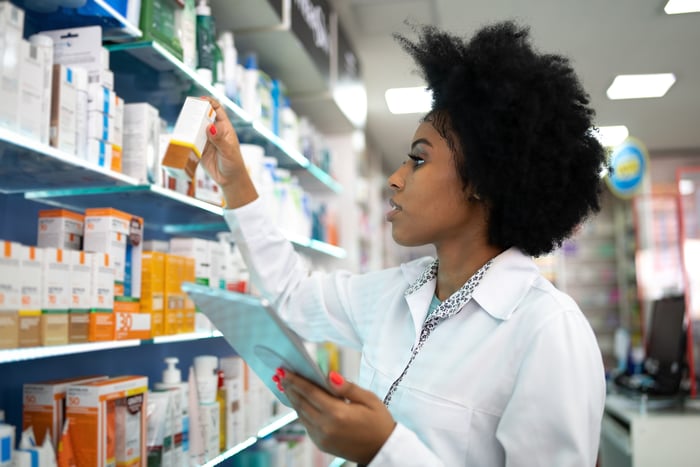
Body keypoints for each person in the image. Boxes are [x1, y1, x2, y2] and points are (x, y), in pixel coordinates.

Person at [200, 20, 608, 466]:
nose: (395, 179)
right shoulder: (397, 293)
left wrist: (385, 450)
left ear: (482, 181)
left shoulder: (547, 331)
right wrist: (236, 182)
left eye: (418, 159)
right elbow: (292, 296)